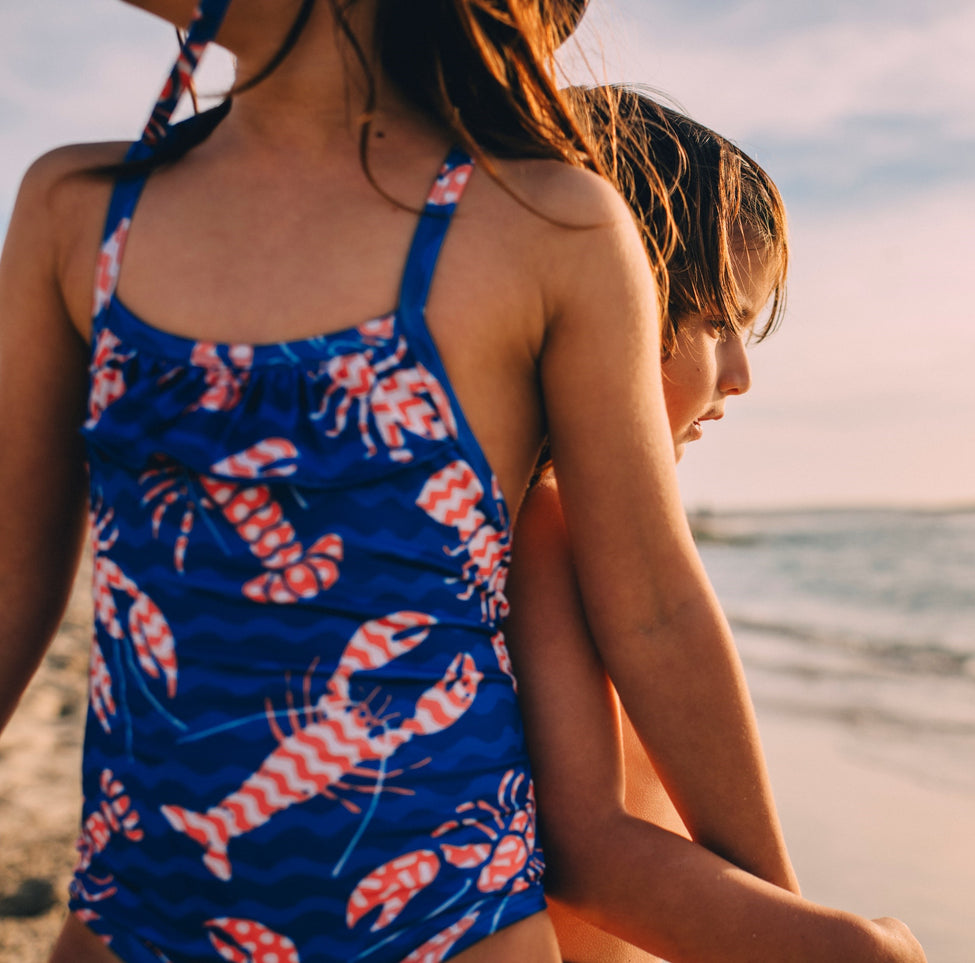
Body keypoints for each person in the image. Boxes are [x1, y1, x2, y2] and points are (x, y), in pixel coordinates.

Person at [0, 2, 796, 960]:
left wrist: (780, 916)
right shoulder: (80, 207)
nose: (737, 370)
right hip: (132, 920)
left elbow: (656, 610)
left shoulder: (544, 224)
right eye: (713, 320)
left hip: (454, 929)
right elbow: (11, 576)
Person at [507, 87, 928, 963]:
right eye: (712, 322)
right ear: (601, 307)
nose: (737, 374)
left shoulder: (536, 520)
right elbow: (584, 848)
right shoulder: (543, 527)